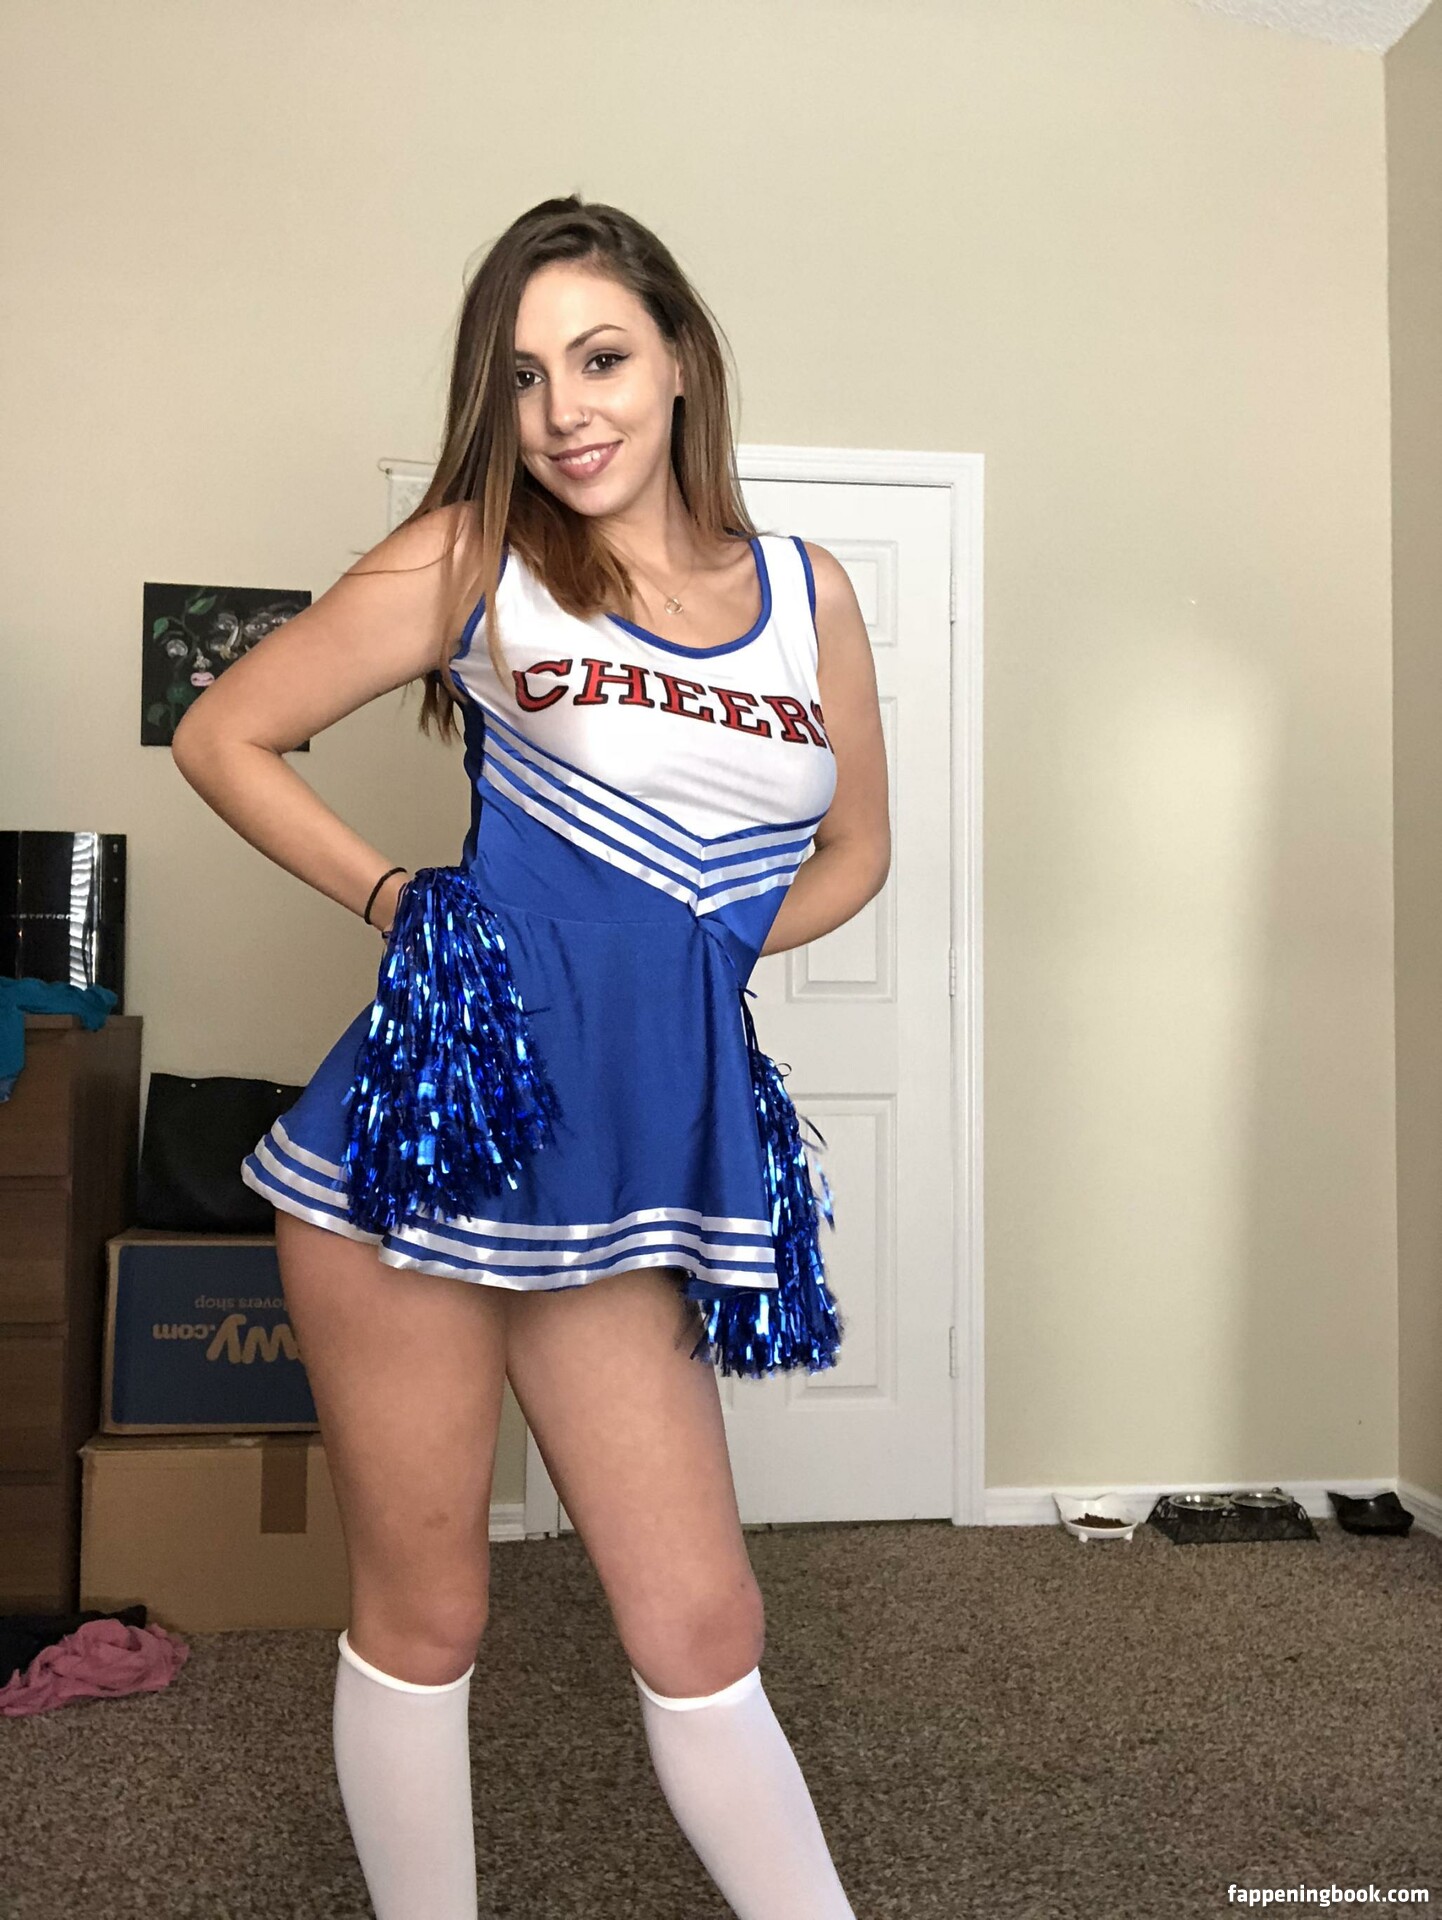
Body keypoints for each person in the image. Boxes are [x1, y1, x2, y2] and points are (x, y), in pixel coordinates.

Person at [172, 195, 889, 1920]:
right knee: (429, 1617)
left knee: (704, 1625)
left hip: (628, 1170)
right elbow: (224, 731)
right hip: (427, 1150)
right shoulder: (471, 556)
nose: (565, 409)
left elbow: (856, 849)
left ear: (680, 362)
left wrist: (686, 966)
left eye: (601, 357)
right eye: (520, 376)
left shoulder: (806, 592)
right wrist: (401, 900)